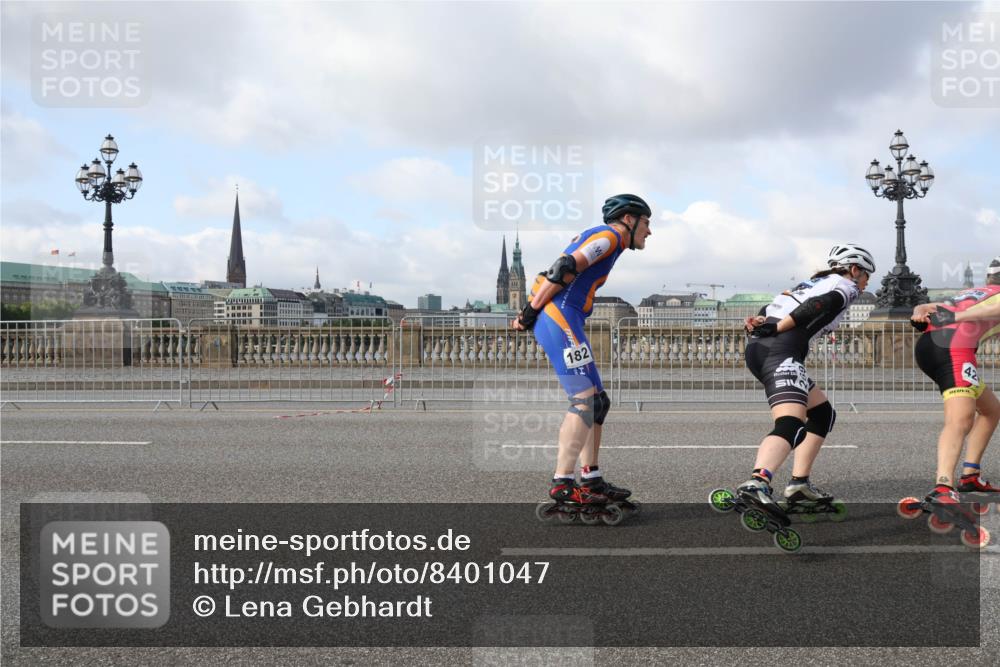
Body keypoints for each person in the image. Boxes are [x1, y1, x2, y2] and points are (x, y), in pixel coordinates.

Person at [512, 194, 652, 515]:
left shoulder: (611, 239)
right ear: (629, 219)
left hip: (567, 316)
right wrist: (529, 311)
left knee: (598, 401)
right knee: (585, 400)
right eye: (646, 223)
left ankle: (591, 478)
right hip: (559, 315)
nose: (649, 231)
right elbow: (565, 267)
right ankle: (563, 481)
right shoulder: (610, 236)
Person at [738, 243, 875, 519]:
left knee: (822, 413)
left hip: (763, 348)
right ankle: (758, 483)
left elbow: (771, 306)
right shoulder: (844, 285)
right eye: (866, 277)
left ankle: (799, 485)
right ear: (854, 269)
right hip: (781, 350)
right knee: (790, 422)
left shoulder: (812, 282)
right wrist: (777, 327)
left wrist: (762, 321)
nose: (864, 284)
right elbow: (821, 305)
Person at [910, 255, 1000, 514]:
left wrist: (919, 311)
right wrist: (960, 316)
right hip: (953, 349)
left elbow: (926, 306)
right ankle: (943, 487)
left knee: (991, 409)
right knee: (961, 419)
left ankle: (970, 475)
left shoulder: (975, 292)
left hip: (935, 347)